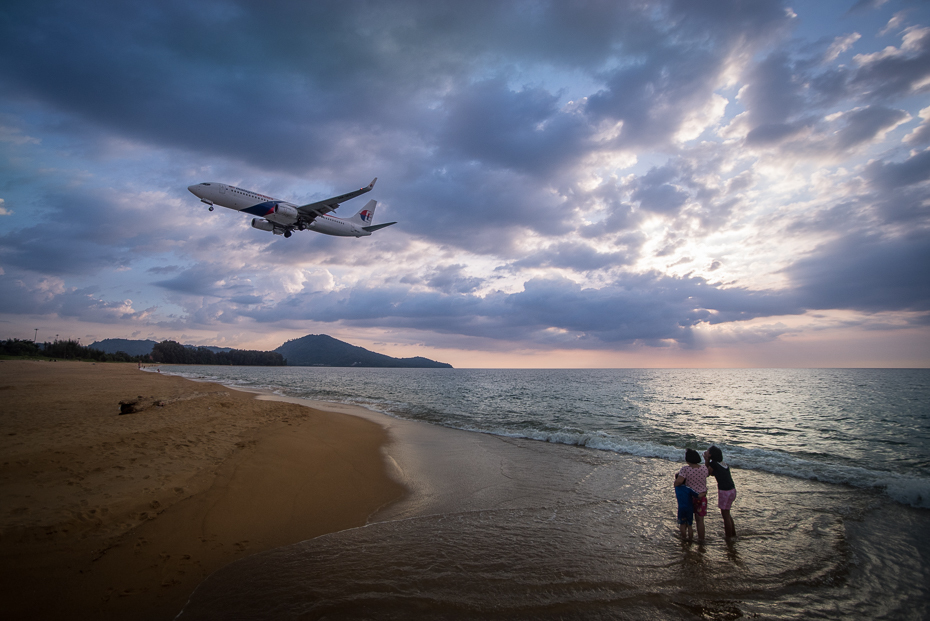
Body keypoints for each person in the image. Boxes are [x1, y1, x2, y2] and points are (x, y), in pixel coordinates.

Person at [675, 448, 708, 542]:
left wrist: (676, 485)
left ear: (687, 459)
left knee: (687, 521)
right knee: (700, 521)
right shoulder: (704, 468)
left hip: (689, 498)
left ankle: (685, 539)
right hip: (702, 497)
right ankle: (701, 540)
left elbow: (679, 481)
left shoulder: (685, 469)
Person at [705, 445, 737, 539]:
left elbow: (707, 473)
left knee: (725, 515)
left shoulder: (713, 464)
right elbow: (711, 473)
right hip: (732, 490)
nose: (706, 452)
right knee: (727, 513)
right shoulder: (723, 463)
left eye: (707, 451)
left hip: (725, 491)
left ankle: (728, 537)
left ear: (711, 454)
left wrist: (706, 460)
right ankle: (733, 534)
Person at [674, 475, 699, 541]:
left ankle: (683, 539)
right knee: (689, 525)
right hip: (689, 508)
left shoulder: (676, 488)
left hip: (681, 508)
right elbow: (697, 495)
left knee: (682, 524)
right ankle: (690, 539)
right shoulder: (688, 489)